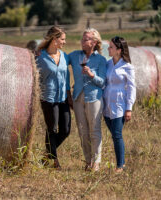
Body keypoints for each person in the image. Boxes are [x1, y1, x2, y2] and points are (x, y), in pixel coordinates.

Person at [68, 28, 107, 172]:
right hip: (78, 98)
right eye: (82, 39)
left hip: (94, 98)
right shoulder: (74, 55)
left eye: (86, 39)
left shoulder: (101, 60)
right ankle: (88, 161)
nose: (83, 41)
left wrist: (91, 75)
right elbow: (59, 59)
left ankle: (96, 162)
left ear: (94, 42)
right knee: (83, 131)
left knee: (94, 130)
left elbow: (102, 82)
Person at [36, 26, 71, 169]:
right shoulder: (40, 57)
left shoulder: (64, 56)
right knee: (52, 129)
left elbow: (67, 77)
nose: (64, 42)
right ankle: (55, 162)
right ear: (54, 39)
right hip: (48, 98)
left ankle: (46, 156)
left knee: (66, 130)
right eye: (62, 39)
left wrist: (70, 96)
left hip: (63, 97)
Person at [103, 36, 136, 173]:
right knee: (114, 135)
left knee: (117, 134)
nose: (108, 49)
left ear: (119, 50)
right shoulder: (108, 64)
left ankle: (120, 166)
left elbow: (132, 87)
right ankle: (120, 163)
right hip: (106, 104)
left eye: (111, 47)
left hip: (120, 105)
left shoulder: (128, 67)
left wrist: (129, 108)